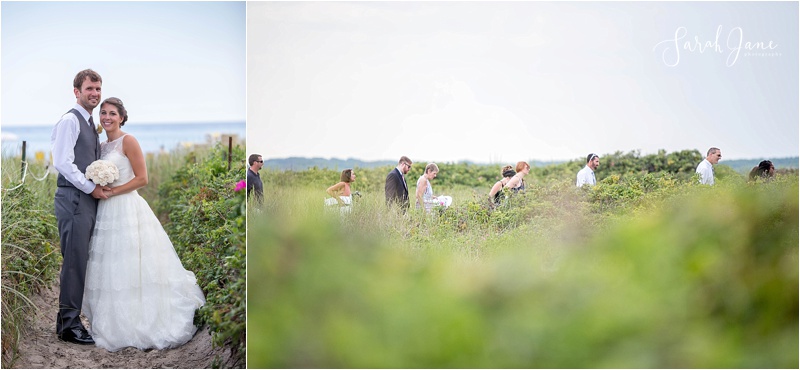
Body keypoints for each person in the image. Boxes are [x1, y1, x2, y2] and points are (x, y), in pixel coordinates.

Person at [81, 97, 205, 352]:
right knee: (111, 267)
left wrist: (113, 192)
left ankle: (142, 320)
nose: (106, 117)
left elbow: (142, 179)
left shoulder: (129, 141)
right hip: (105, 210)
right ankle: (113, 322)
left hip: (127, 207)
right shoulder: (102, 146)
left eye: (112, 113)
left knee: (134, 262)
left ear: (122, 117)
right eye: (103, 113)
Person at [51, 69, 110, 345]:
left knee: (79, 260)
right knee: (74, 263)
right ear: (77, 91)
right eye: (89, 89)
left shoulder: (89, 123)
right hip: (73, 199)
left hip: (83, 199)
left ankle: (66, 322)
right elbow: (62, 162)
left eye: (98, 89)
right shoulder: (69, 121)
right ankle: (70, 327)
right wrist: (91, 188)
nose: (95, 94)